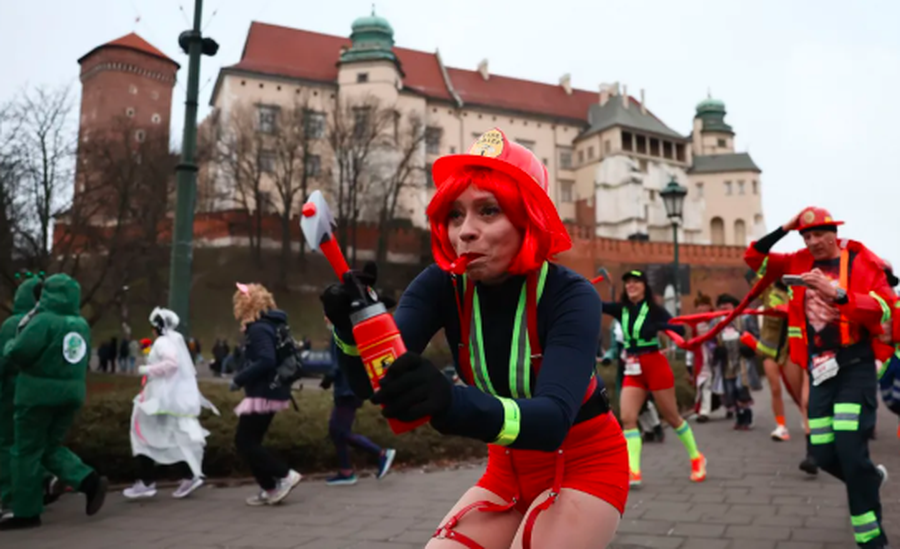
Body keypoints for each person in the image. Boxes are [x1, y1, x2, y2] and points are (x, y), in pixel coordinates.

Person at [322, 128, 628, 549]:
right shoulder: (439, 285)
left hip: (584, 464)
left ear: (528, 220)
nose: (464, 231)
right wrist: (351, 330)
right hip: (506, 471)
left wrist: (452, 402)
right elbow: (373, 383)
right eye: (455, 214)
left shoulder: (571, 295)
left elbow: (554, 421)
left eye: (488, 211)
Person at [744, 206, 892, 548]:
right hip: (820, 369)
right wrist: (785, 227)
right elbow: (753, 257)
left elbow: (884, 306)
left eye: (818, 235)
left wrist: (836, 293)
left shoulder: (859, 262)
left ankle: (872, 539)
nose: (812, 242)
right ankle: (869, 479)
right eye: (806, 235)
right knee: (823, 455)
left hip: (855, 366)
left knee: (851, 451)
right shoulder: (796, 261)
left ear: (833, 234)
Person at [0, 274, 109, 531]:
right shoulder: (80, 324)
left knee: (24, 451)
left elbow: (19, 353)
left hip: (36, 396)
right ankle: (88, 480)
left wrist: (10, 346)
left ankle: (26, 512)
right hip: (71, 395)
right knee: (49, 446)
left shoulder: (42, 321)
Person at [600, 269, 704, 487]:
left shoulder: (655, 310)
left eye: (636, 282)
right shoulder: (622, 309)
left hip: (654, 364)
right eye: (628, 282)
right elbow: (597, 305)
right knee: (628, 418)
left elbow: (679, 329)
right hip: (632, 367)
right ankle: (634, 471)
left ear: (644, 286)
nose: (631, 285)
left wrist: (658, 326)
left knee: (673, 418)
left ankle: (697, 457)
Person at [123, 308, 219, 500]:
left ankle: (148, 481)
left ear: (157, 327)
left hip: (157, 399)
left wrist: (146, 369)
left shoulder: (163, 342)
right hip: (164, 399)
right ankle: (184, 475)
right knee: (168, 436)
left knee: (141, 434)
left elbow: (171, 364)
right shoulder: (175, 340)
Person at [230, 282, 302, 506]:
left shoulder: (259, 328)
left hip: (264, 392)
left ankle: (284, 476)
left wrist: (239, 378)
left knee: (244, 441)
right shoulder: (269, 325)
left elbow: (266, 359)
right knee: (250, 441)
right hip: (271, 391)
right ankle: (269, 488)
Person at [320, 319, 396, 486]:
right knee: (337, 430)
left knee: (339, 430)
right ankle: (346, 471)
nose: (324, 318)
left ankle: (380, 453)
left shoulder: (341, 332)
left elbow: (342, 361)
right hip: (350, 387)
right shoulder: (347, 330)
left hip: (347, 390)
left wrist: (329, 377)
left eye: (326, 314)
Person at [712, 294, 756, 430]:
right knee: (730, 391)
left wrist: (749, 347)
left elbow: (755, 334)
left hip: (742, 360)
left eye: (727, 303)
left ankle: (746, 416)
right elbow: (710, 340)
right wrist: (717, 350)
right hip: (726, 362)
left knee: (740, 387)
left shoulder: (745, 318)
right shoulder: (716, 322)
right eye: (721, 304)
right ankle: (739, 416)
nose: (724, 306)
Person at [691, 294, 722, 422]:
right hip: (701, 356)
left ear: (710, 306)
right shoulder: (695, 322)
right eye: (699, 306)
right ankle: (703, 410)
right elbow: (693, 341)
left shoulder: (715, 319)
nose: (702, 308)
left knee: (720, 381)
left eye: (704, 305)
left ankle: (731, 405)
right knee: (704, 382)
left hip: (716, 353)